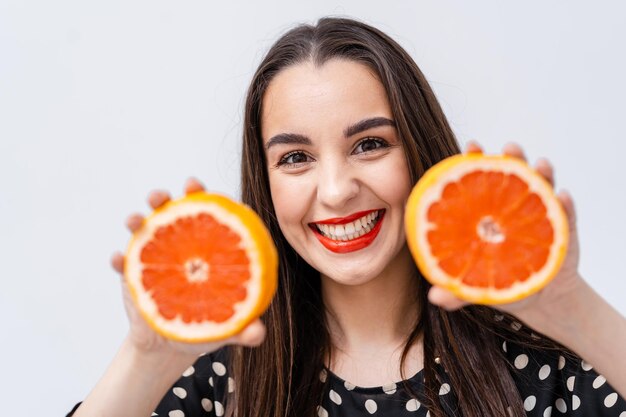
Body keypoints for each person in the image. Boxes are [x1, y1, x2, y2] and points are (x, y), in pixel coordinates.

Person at [69, 17, 626, 417]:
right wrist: (144, 360)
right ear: (266, 185)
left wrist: (571, 309)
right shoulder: (219, 381)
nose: (335, 191)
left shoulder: (544, 368)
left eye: (369, 145)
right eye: (295, 158)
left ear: (421, 151)